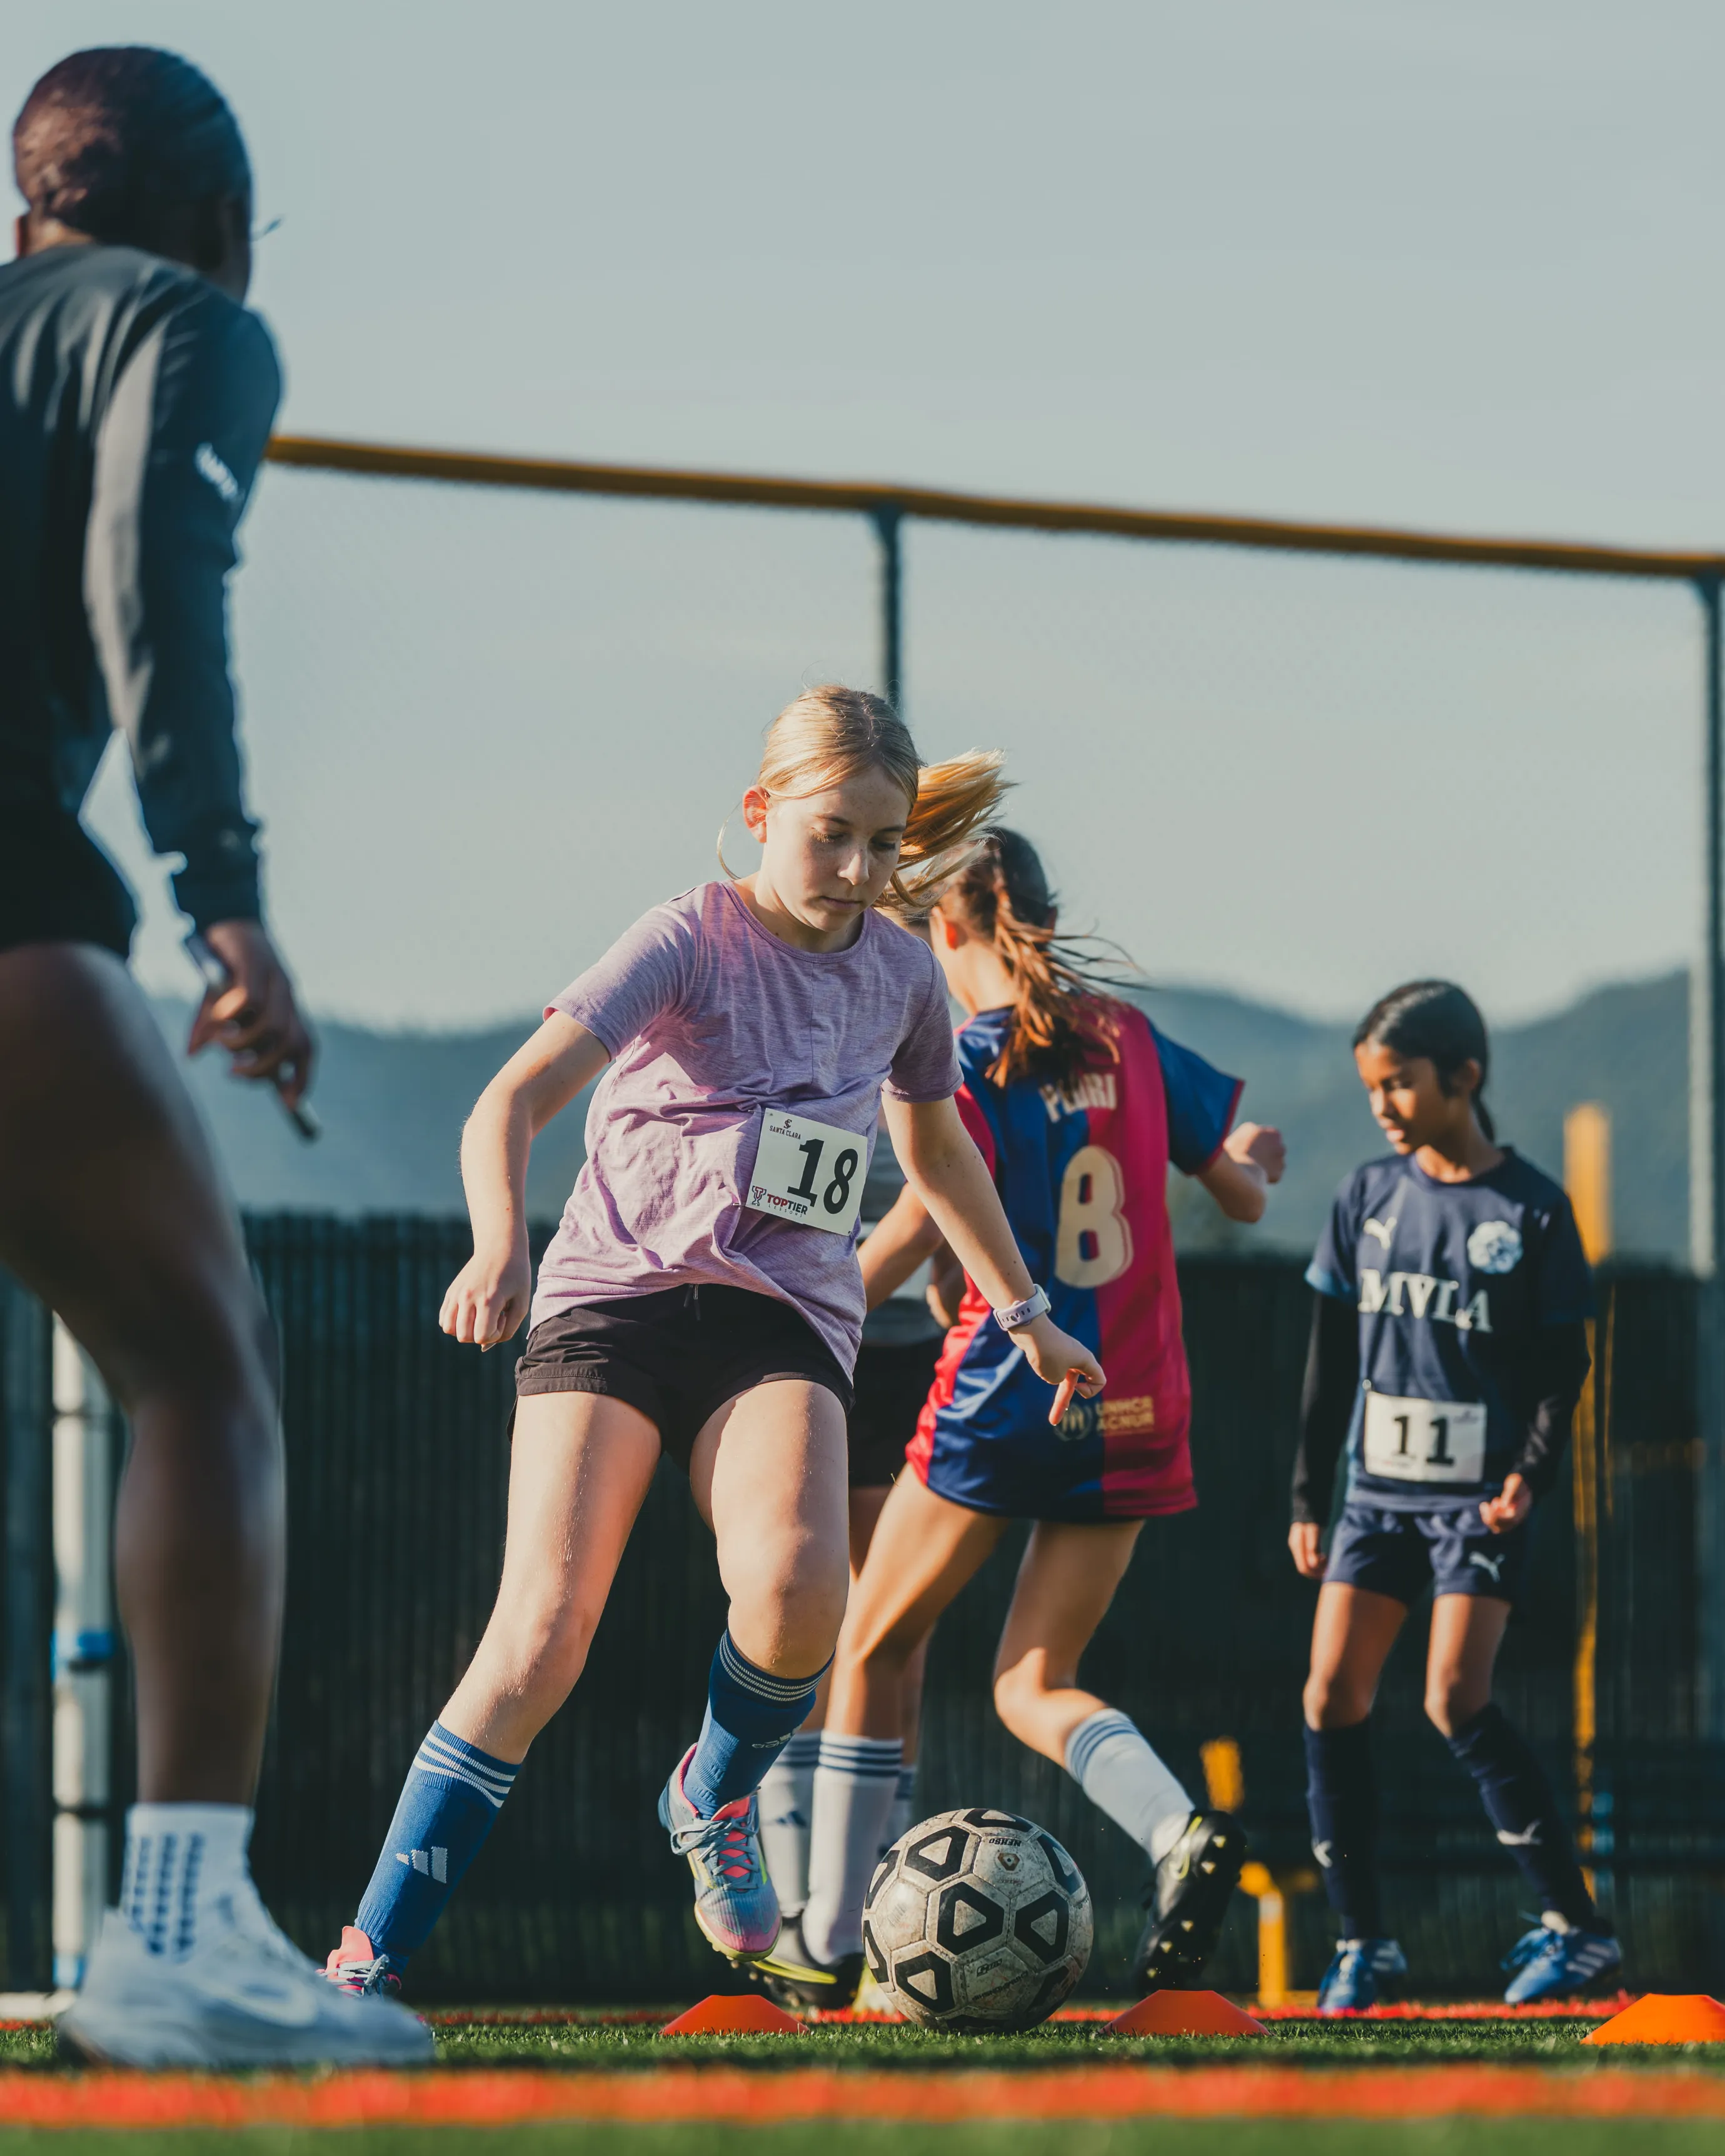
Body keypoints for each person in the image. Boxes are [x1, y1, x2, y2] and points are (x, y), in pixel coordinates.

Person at [323, 690, 1107, 1998]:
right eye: (830, 837)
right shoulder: (689, 933)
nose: (859, 872)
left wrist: (1026, 1312)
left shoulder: (901, 972)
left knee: (806, 1592)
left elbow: (933, 1147)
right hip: (611, 1299)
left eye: (884, 844)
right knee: (540, 1635)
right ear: (760, 815)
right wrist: (496, 1245)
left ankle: (713, 1787)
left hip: (782, 1313)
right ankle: (366, 1957)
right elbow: (509, 1102)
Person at [0, 48, 426, 2063]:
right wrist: (220, 892)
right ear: (228, 227)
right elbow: (147, 579)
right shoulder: (185, 325)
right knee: (197, 1367)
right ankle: (173, 1930)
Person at [777, 830, 1285, 2008]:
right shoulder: (1137, 1042)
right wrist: (1247, 1156)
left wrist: (781, 1301)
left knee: (871, 1642)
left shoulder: (970, 1060)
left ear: (943, 933)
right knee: (1033, 1679)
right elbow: (1245, 1197)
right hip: (1143, 1403)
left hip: (1009, 1398)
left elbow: (901, 1248)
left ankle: (827, 1937)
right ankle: (1173, 1836)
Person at [1290, 980, 1619, 2011]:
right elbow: (1326, 1365)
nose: (1383, 1103)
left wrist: (1530, 1471)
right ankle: (1362, 1946)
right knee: (1329, 1695)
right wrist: (1310, 1497)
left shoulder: (1529, 1209)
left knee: (1450, 1698)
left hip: (1475, 1502)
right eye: (1371, 1087)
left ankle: (1575, 1929)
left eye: (1399, 1083)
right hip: (1373, 1499)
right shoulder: (1364, 1198)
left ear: (1463, 1078)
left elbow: (1562, 1368)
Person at [754, 1107, 947, 1936]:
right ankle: (792, 1908)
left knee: (894, 1644)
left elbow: (947, 1215)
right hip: (804, 1357)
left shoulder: (938, 1072)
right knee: (797, 1623)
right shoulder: (786, 1073)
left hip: (914, 1362)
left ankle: (885, 1913)